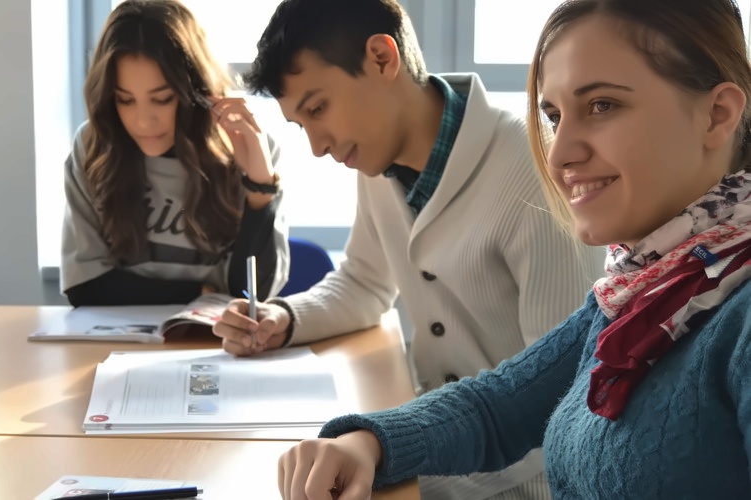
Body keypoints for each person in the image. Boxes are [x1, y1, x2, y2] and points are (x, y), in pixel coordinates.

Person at [275, 0, 751, 498]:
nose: (560, 153)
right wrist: (369, 441)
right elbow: (498, 407)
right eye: (553, 115)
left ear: (716, 115)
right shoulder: (644, 284)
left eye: (602, 105)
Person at [212, 0, 602, 498]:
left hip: (520, 478)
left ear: (381, 58)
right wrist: (282, 319)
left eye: (317, 109)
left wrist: (396, 457)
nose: (316, 145)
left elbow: (558, 395)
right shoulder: (377, 162)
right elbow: (364, 283)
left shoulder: (532, 169)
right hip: (436, 447)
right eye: (300, 124)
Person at [60, 0, 289, 306]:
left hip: (217, 345)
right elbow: (85, 287)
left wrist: (260, 189)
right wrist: (201, 293)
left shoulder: (247, 148)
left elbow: (250, 295)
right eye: (125, 100)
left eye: (162, 99)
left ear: (195, 93)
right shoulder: (94, 146)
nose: (143, 121)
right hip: (118, 344)